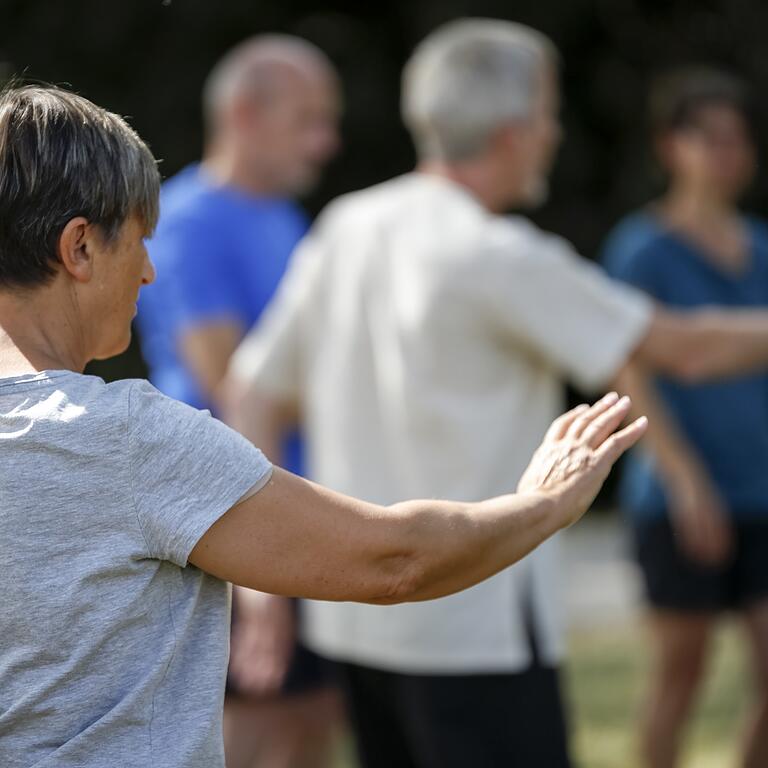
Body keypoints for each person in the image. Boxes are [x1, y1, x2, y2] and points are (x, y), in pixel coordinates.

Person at [0, 84, 648, 768]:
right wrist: (544, 503)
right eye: (137, 241)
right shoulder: (128, 440)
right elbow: (396, 561)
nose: (151, 271)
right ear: (78, 248)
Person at [226, 20, 768, 768]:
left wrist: (264, 581)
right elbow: (688, 348)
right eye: (548, 115)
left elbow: (252, 394)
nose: (553, 135)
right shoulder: (499, 254)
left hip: (356, 625)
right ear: (514, 132)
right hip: (476, 626)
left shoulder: (346, 228)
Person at [135, 36, 342, 768]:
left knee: (315, 721)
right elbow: (234, 388)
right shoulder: (188, 219)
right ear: (245, 114)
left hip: (300, 502)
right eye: (308, 119)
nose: (326, 142)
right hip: (230, 516)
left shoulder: (286, 218)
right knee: (257, 737)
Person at [603, 69, 768, 768]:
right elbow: (627, 370)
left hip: (762, 489)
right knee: (681, 675)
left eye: (741, 140)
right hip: (680, 499)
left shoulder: (761, 245)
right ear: (673, 146)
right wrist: (684, 478)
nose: (730, 154)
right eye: (713, 139)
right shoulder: (641, 249)